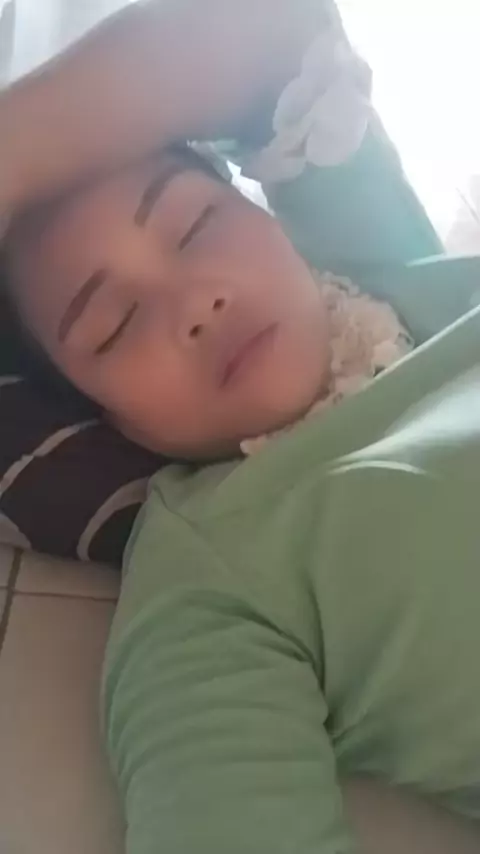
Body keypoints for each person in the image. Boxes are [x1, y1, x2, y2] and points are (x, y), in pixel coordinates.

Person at [2, 2, 480, 853]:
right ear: (104, 417)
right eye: (114, 325)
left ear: (259, 207)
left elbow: (270, 29)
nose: (197, 302)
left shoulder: (372, 257)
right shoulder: (210, 586)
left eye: (197, 225)